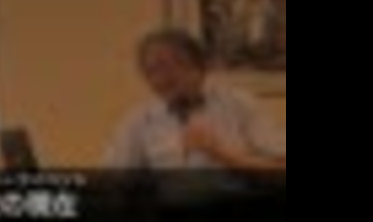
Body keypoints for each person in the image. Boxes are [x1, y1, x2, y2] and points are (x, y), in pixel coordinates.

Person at [102, 28, 286, 174]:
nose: (160, 79)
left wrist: (222, 153)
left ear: (199, 66)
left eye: (169, 66)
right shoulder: (138, 121)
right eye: (151, 71)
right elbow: (113, 181)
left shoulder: (239, 105)